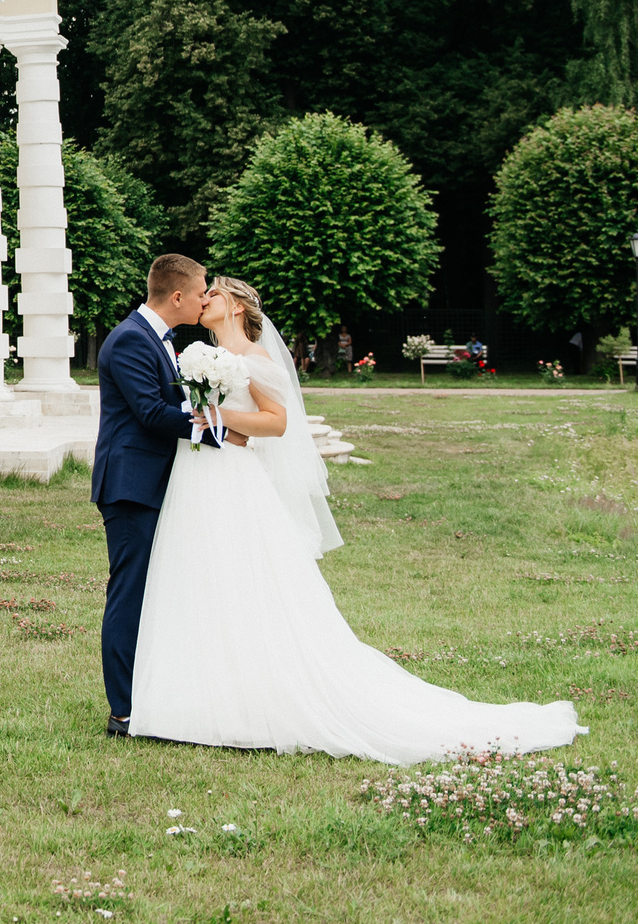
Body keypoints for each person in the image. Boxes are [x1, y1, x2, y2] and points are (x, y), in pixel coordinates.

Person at [124, 276, 584, 763]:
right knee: (200, 579)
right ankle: (196, 698)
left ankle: (252, 700)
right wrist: (206, 415)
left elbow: (277, 422)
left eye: (213, 292)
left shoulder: (253, 358)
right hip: (199, 475)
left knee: (244, 581)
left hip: (234, 480)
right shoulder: (200, 353)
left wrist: (217, 415)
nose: (205, 299)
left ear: (236, 306)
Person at [91, 253, 235, 740]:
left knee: (156, 593)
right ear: (177, 296)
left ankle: (153, 695)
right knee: (129, 595)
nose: (203, 301)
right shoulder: (131, 339)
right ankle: (124, 711)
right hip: (130, 485)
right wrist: (216, 430)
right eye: (199, 294)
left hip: (155, 482)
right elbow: (152, 413)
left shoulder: (161, 339)